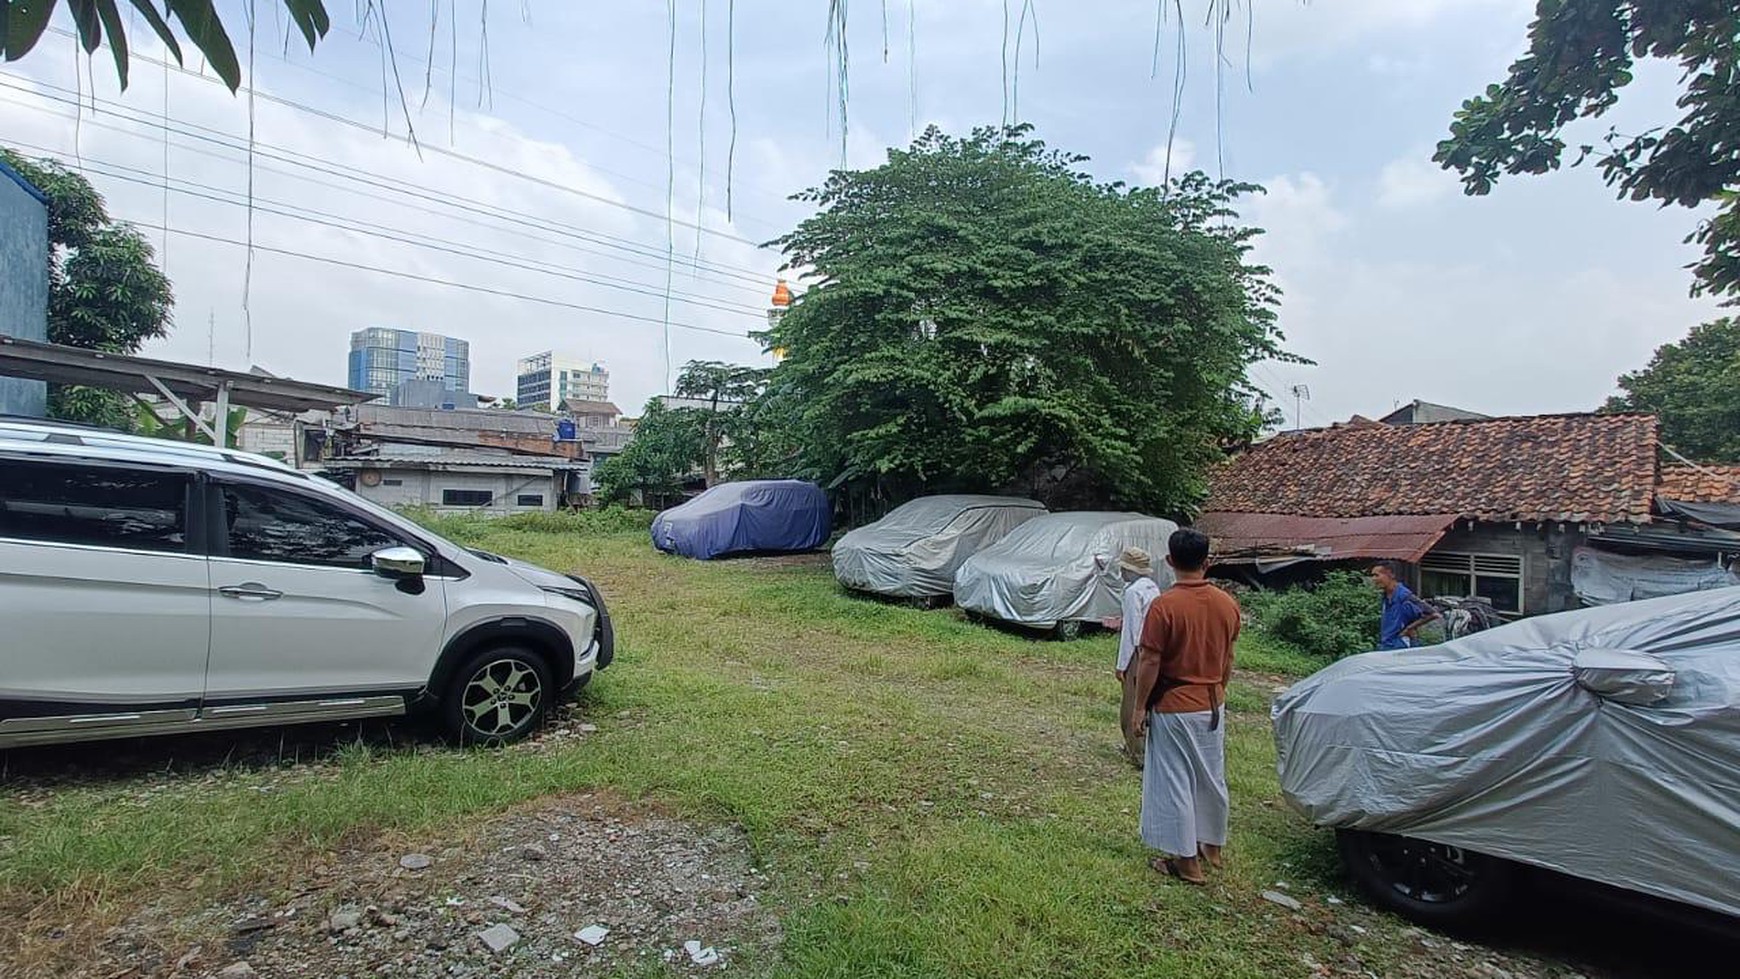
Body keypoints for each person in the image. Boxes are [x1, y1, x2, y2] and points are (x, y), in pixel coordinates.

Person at [1131, 528, 1239, 886]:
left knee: (1175, 779)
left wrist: (1139, 706)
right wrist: (1219, 690)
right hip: (1212, 701)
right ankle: (1212, 845)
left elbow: (1149, 661)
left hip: (1175, 703)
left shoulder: (1164, 606)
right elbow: (1228, 657)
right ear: (1207, 562)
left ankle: (1186, 862)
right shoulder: (1227, 604)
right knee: (1210, 775)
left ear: (1170, 561)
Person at [1101, 547, 1162, 769]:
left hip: (1137, 652)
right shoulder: (1153, 588)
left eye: (1124, 568)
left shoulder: (1132, 592)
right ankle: (1142, 748)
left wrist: (1121, 665)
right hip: (1153, 649)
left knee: (1131, 702)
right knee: (1146, 701)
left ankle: (1134, 750)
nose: (1121, 573)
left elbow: (1131, 632)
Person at [1371, 560, 1440, 650]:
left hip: (1401, 646)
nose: (1373, 579)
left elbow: (1433, 614)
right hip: (1386, 644)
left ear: (1391, 575)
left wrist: (1408, 629)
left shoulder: (1404, 595)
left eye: (1377, 575)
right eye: (1372, 576)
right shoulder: (1385, 596)